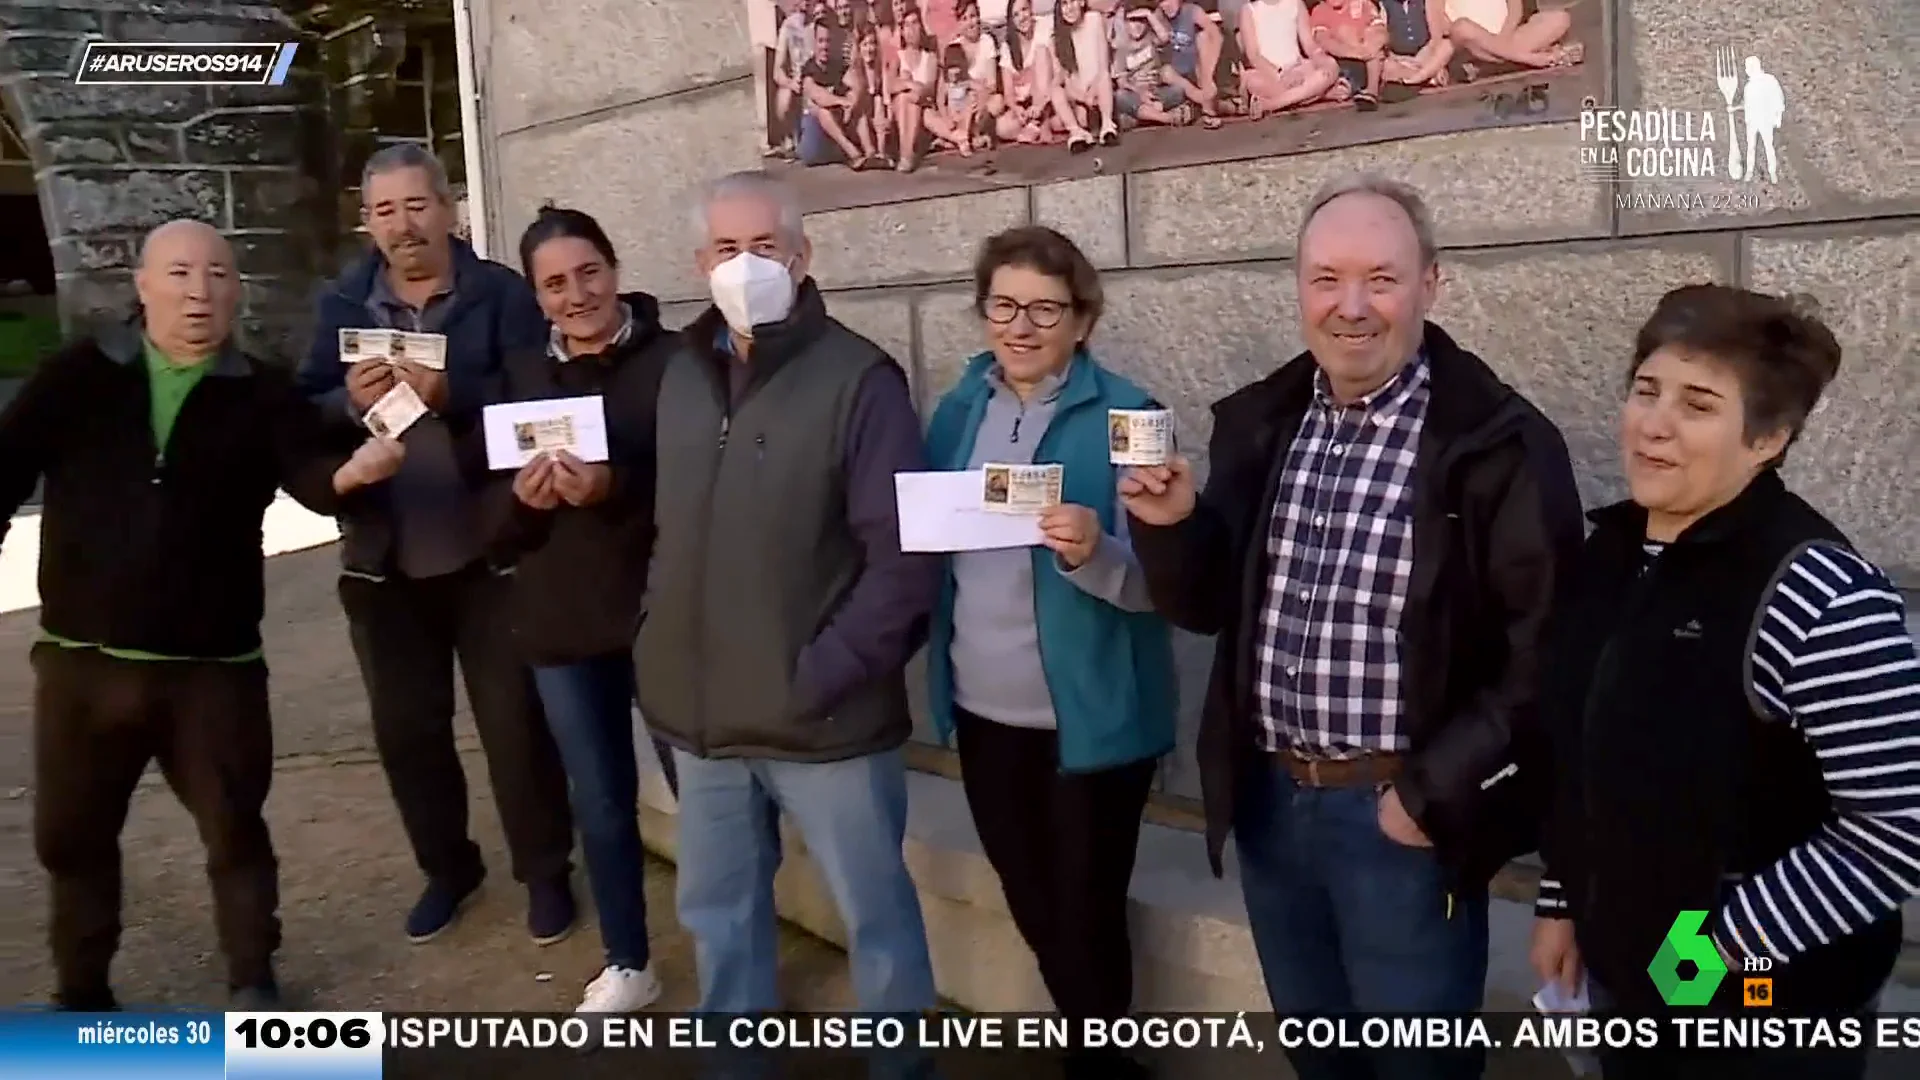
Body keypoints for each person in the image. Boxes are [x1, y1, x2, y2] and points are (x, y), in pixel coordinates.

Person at [1119, 174, 1583, 1080]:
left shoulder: (1499, 444)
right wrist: (1172, 529)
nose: (1352, 306)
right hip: (1271, 810)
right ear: (1299, 288)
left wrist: (1427, 796)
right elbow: (1208, 606)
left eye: (1382, 277)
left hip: (1399, 822)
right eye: (1326, 278)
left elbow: (1547, 655)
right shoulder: (1265, 422)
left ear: (1432, 284)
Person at [0, 219, 406, 1010]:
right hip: (83, 662)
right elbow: (5, 467)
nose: (201, 291)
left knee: (234, 834)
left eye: (219, 275)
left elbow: (312, 476)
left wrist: (357, 471)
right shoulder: (79, 374)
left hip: (211, 670)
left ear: (236, 292)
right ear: (144, 286)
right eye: (181, 273)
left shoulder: (261, 390)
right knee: (70, 840)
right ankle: (81, 995)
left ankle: (253, 984)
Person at [1529, 285, 1919, 1080]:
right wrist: (1562, 902)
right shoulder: (1608, 559)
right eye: (1646, 391)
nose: (1655, 424)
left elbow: (1895, 829)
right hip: (1626, 981)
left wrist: (1709, 955)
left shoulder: (1820, 594)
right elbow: (1582, 750)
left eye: (1698, 404)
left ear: (1768, 437)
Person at [634, 170, 938, 1013]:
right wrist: (655, 636)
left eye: (765, 247)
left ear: (803, 258)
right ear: (700, 262)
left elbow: (904, 561)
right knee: (720, 921)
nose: (745, 265)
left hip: (825, 721)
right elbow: (672, 530)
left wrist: (821, 674)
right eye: (728, 249)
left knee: (875, 920)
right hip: (705, 722)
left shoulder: (860, 380)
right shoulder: (682, 376)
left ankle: (902, 1073)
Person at [295, 143, 577, 948]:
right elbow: (303, 403)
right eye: (385, 211)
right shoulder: (342, 300)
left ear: (449, 208)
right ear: (366, 222)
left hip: (488, 554)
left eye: (417, 206)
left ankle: (545, 872)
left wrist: (456, 393)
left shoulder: (501, 295)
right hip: (383, 560)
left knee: (514, 730)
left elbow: (539, 399)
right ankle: (448, 870)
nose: (403, 225)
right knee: (408, 734)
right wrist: (345, 405)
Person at [923, 227, 1177, 1050]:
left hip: (1092, 725)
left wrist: (1094, 551)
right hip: (983, 712)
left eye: (1044, 308)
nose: (1021, 325)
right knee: (1033, 902)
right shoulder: (959, 410)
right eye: (1003, 304)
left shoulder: (1134, 417)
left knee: (1087, 916)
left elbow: (1168, 586)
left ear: (1083, 319)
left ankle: (1101, 1066)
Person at [467, 206, 683, 1013]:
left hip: (664, 611)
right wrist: (527, 506)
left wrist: (611, 485)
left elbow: (700, 486)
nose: (575, 294)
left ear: (615, 269)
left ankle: (738, 948)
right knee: (599, 800)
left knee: (710, 799)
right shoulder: (518, 379)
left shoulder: (676, 362)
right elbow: (489, 525)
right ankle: (628, 960)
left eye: (587, 272)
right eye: (553, 283)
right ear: (535, 295)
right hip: (560, 621)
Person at [1237, 0, 1346, 116]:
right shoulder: (1249, 10)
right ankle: (1319, 94)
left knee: (1330, 66)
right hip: (1270, 74)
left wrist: (1320, 57)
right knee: (1253, 82)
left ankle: (1271, 104)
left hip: (1298, 68)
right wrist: (1280, 74)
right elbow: (1254, 56)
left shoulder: (1296, 4)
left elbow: (1309, 45)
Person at [1442, 0, 1581, 79]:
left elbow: (1515, 10)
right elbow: (1440, 24)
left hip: (1507, 38)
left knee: (1560, 18)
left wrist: (1503, 39)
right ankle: (1530, 59)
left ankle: (1493, 66)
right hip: (1472, 46)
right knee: (1461, 28)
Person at [1050, 0, 1119, 151]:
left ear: (1081, 2)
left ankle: (1108, 126)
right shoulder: (1059, 36)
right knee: (1055, 89)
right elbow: (1066, 80)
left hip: (1099, 89)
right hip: (1079, 96)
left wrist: (1092, 92)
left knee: (1104, 77)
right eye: (1064, 4)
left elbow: (1103, 65)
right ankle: (1076, 132)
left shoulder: (1094, 20)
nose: (1069, 8)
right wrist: (1083, 98)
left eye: (1072, 1)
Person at [1114, 9, 1196, 128]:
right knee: (1120, 96)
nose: (1137, 26)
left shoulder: (1152, 40)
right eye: (1132, 21)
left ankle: (1143, 117)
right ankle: (1167, 118)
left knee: (1179, 90)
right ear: (1125, 24)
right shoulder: (1121, 50)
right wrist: (1140, 93)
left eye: (1141, 21)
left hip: (1157, 92)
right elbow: (1122, 82)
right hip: (1136, 94)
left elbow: (1165, 38)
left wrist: (1148, 14)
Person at [995, 0, 1060, 143]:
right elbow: (1009, 93)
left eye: (1024, 10)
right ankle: (1035, 126)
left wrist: (1041, 105)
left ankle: (1041, 123)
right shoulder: (1008, 46)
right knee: (1002, 127)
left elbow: (1058, 73)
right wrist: (1017, 109)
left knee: (1041, 51)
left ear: (1031, 9)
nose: (1022, 17)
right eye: (1016, 15)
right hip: (1025, 106)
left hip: (1046, 100)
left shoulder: (1043, 29)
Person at [1309, 0, 1388, 108]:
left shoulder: (1364, 5)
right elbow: (1324, 41)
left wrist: (1369, 48)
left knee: (1372, 37)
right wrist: (1357, 52)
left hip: (1370, 56)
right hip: (1344, 61)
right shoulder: (1320, 11)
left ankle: (1372, 90)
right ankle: (1369, 88)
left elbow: (1381, 31)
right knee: (1345, 32)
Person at [890, 4, 940, 170]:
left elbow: (930, 88)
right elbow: (890, 86)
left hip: (923, 116)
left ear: (921, 27)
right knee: (904, 97)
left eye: (915, 23)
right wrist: (909, 84)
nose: (911, 29)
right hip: (902, 115)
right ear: (902, 31)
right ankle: (907, 153)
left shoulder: (930, 57)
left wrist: (916, 89)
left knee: (911, 98)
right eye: (907, 25)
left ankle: (906, 153)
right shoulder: (899, 56)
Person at [1378, 0, 1453, 93]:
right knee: (1387, 67)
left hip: (1425, 52)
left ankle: (1415, 79)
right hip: (1399, 58)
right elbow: (1384, 40)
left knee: (1439, 55)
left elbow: (1435, 37)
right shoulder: (1384, 5)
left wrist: (1423, 56)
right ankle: (1425, 78)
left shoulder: (1423, 2)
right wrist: (1398, 58)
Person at [925, 43, 985, 157]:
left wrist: (980, 106)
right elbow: (940, 101)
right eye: (951, 68)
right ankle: (958, 140)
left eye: (957, 68)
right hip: (952, 116)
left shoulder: (965, 80)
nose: (954, 72)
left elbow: (981, 89)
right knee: (945, 111)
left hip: (965, 116)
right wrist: (946, 118)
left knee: (971, 98)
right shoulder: (945, 82)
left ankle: (964, 139)